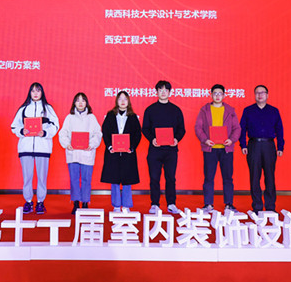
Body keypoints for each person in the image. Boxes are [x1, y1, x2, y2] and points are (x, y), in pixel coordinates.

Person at [11, 82, 59, 215]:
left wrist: (45, 133)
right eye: (33, 91)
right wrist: (22, 131)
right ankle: (28, 201)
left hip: (43, 147)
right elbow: (14, 126)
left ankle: (40, 202)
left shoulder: (48, 109)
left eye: (38, 90)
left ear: (42, 92)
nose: (35, 93)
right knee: (27, 177)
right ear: (29, 93)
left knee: (42, 177)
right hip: (25, 147)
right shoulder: (23, 109)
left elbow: (55, 125)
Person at [195, 84, 241, 212]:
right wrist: (205, 140)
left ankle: (229, 204)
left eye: (220, 93)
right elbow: (198, 127)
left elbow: (237, 128)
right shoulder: (204, 110)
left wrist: (231, 140)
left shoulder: (230, 111)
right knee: (208, 177)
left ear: (224, 95)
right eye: (215, 93)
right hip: (210, 148)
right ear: (211, 95)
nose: (217, 96)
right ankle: (208, 204)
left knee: (228, 177)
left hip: (226, 149)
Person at [142, 80, 186, 214]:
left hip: (171, 150)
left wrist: (176, 139)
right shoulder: (150, 110)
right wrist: (152, 139)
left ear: (169, 92)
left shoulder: (176, 110)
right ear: (156, 92)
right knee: (154, 178)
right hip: (155, 150)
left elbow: (182, 129)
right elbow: (145, 128)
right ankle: (155, 204)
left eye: (165, 90)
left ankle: (171, 203)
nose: (163, 92)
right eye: (160, 90)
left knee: (171, 178)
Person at [239, 84, 284, 213]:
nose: (260, 95)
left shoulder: (274, 111)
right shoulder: (248, 110)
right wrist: (243, 145)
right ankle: (257, 207)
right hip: (254, 145)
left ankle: (270, 206)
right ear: (254, 95)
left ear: (267, 95)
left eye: (262, 92)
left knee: (270, 176)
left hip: (269, 145)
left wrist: (280, 146)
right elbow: (242, 128)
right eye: (257, 93)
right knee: (254, 177)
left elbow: (279, 129)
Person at [58, 92, 102, 214]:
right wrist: (67, 144)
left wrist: (91, 144)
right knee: (74, 179)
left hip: (87, 153)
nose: (81, 103)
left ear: (86, 103)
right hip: (73, 153)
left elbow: (98, 134)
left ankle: (85, 202)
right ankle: (76, 202)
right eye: (78, 100)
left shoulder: (91, 118)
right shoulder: (69, 118)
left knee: (87, 179)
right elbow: (63, 133)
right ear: (74, 103)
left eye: (83, 100)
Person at [100, 91, 142, 212]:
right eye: (120, 99)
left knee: (128, 179)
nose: (122, 101)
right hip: (113, 153)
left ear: (128, 101)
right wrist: (109, 147)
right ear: (116, 101)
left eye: (125, 99)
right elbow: (105, 132)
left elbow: (137, 135)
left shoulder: (133, 117)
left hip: (128, 153)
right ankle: (116, 205)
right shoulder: (110, 115)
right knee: (114, 180)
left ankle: (127, 205)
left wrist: (132, 147)